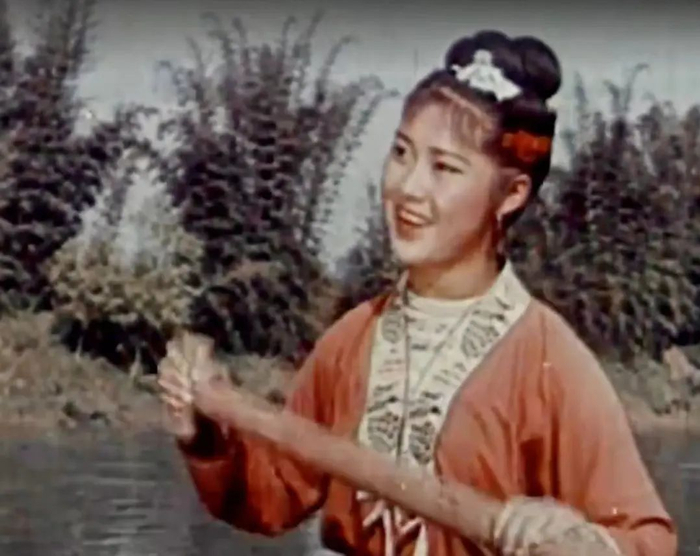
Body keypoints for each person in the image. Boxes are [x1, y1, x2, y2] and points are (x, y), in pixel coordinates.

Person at [158, 30, 677, 556]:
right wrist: (205, 435)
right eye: (402, 153)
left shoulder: (548, 361)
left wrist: (582, 539)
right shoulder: (353, 339)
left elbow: (648, 540)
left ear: (511, 194)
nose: (408, 187)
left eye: (444, 168)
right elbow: (271, 498)